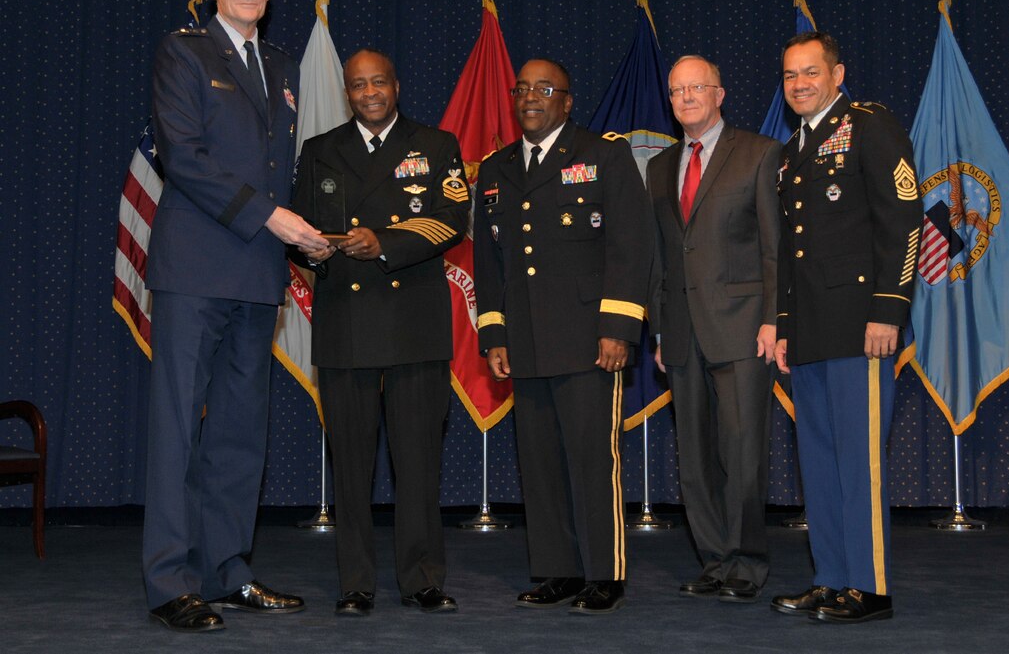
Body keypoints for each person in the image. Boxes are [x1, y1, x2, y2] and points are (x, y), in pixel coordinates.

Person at [143, 0, 328, 633]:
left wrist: (312, 231)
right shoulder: (184, 53)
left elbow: (281, 165)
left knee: (243, 433)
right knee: (177, 430)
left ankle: (229, 570)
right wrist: (274, 217)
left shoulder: (281, 65)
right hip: (194, 267)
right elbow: (182, 156)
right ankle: (168, 579)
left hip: (258, 272)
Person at [291, 49, 468, 615]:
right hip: (346, 320)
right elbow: (298, 229)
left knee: (418, 461)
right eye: (358, 84)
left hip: (413, 320)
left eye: (379, 82)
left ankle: (422, 579)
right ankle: (356, 582)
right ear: (347, 91)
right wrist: (313, 251)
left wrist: (385, 243)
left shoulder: (437, 145)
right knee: (350, 462)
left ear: (396, 84)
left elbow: (451, 219)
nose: (369, 92)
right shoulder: (320, 152)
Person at [473, 59, 651, 614]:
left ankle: (604, 573)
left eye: (544, 90)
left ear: (567, 101)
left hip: (587, 341)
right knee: (541, 462)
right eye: (522, 89)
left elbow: (632, 247)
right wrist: (494, 334)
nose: (531, 98)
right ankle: (557, 570)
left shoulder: (604, 155)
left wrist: (618, 328)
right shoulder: (498, 168)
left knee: (592, 460)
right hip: (524, 341)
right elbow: (488, 260)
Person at [772, 31, 921, 623]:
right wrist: (784, 326)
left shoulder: (870, 125)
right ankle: (832, 577)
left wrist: (889, 308)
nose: (800, 84)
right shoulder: (790, 152)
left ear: (837, 74)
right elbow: (790, 249)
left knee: (860, 464)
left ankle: (871, 585)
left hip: (862, 327)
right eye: (789, 76)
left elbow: (904, 218)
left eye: (811, 72)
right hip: (810, 331)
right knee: (821, 461)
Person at [646, 55, 781, 603]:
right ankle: (714, 559)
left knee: (743, 451)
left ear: (720, 94)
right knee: (695, 459)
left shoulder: (759, 153)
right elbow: (659, 256)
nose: (686, 98)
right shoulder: (658, 167)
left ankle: (747, 562)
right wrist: (658, 331)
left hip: (745, 329)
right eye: (677, 90)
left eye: (696, 87)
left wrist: (775, 319)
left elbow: (775, 250)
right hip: (680, 333)